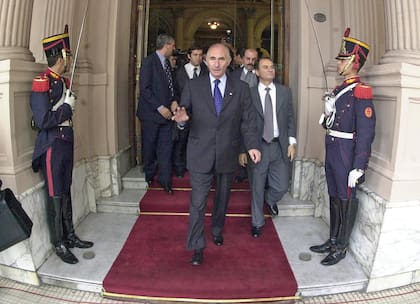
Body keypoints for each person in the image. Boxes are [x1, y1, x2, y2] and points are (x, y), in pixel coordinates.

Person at [173, 43, 261, 266]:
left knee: (222, 200)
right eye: (212, 58)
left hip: (227, 153)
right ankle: (196, 245)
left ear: (230, 61)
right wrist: (182, 122)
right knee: (198, 202)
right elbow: (184, 114)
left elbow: (248, 121)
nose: (217, 63)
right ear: (205, 60)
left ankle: (217, 229)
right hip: (200, 153)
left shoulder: (241, 88)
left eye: (221, 59)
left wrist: (251, 145)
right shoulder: (194, 86)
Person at [309, 28, 376, 266]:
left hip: (347, 153)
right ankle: (333, 238)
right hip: (333, 147)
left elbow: (366, 132)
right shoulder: (339, 91)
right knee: (335, 196)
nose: (338, 64)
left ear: (353, 62)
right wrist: (327, 113)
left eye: (342, 59)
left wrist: (359, 166)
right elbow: (330, 124)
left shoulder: (360, 91)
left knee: (346, 198)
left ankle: (341, 246)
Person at [30, 26, 93, 265]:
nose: (70, 60)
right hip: (52, 145)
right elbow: (44, 120)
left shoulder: (63, 82)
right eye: (68, 55)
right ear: (62, 57)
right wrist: (67, 107)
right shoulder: (42, 82)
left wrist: (67, 104)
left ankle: (70, 235)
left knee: (65, 191)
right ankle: (58, 242)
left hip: (66, 142)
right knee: (55, 194)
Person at [243, 57, 297, 238]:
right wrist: (243, 149)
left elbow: (290, 117)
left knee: (281, 186)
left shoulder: (284, 92)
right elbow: (243, 123)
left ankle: (271, 199)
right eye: (265, 67)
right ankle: (257, 222)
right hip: (257, 147)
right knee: (257, 186)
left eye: (272, 67)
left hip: (279, 145)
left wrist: (292, 142)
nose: (270, 70)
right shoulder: (248, 93)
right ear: (257, 72)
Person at [136, 34, 179, 194]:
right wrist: (160, 107)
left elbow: (172, 86)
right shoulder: (149, 62)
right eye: (173, 45)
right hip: (151, 115)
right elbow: (145, 89)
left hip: (168, 115)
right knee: (150, 145)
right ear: (167, 45)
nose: (174, 49)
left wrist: (174, 100)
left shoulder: (167, 63)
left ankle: (165, 179)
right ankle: (149, 174)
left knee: (166, 148)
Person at [173, 46, 207, 178]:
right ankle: (179, 167)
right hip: (184, 111)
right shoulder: (179, 72)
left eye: (200, 55)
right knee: (181, 140)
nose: (198, 57)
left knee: (199, 141)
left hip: (201, 112)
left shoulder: (206, 72)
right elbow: (174, 91)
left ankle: (198, 166)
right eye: (195, 55)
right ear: (189, 56)